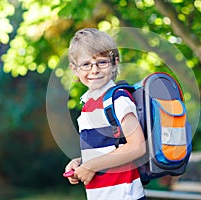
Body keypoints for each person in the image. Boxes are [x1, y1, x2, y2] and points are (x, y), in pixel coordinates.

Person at [64, 28, 146, 200]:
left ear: (115, 63)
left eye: (102, 62)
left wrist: (91, 166)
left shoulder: (118, 99)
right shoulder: (87, 104)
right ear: (75, 69)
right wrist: (81, 163)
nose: (94, 70)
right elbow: (108, 150)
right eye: (86, 64)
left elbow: (137, 146)